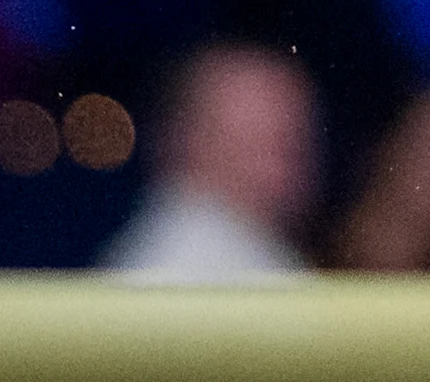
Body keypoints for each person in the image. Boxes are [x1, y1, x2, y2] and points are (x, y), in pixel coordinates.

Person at [99, 43, 320, 280]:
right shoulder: (180, 259)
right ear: (189, 139)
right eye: (264, 136)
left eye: (295, 132)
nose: (293, 147)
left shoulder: (245, 244)